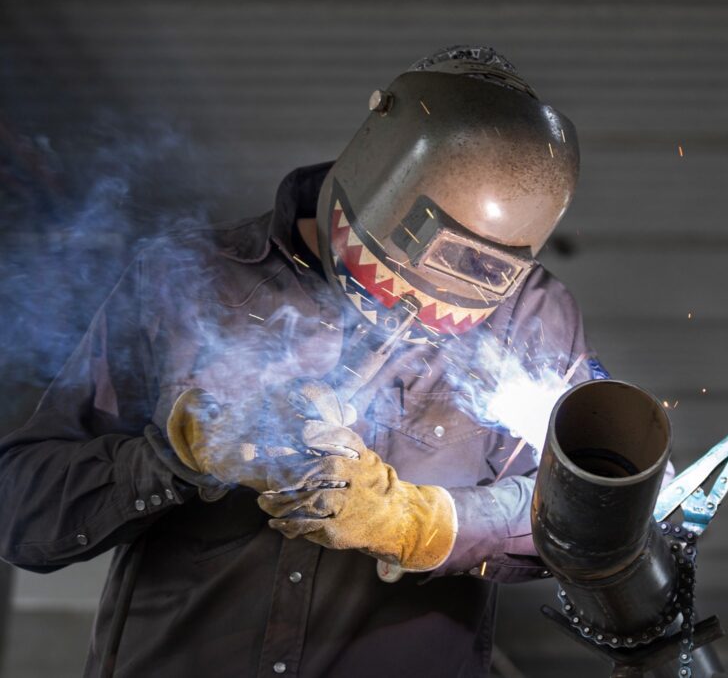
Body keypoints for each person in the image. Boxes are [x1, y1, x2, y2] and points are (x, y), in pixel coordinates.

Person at [0, 46, 602, 677]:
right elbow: (20, 509)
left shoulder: (531, 322)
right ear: (378, 178)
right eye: (396, 286)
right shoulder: (189, 278)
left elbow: (596, 512)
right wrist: (173, 457)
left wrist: (417, 524)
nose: (409, 319)